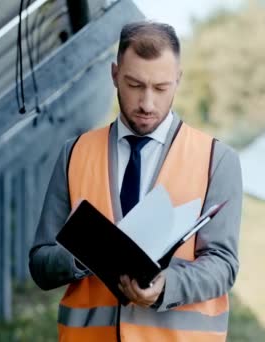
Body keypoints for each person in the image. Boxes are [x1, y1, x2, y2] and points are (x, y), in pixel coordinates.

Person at [28, 21, 242, 341]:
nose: (147, 103)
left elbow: (223, 266)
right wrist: (81, 254)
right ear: (115, 75)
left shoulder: (217, 159)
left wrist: (166, 286)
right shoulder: (73, 154)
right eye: (134, 85)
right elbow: (40, 264)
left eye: (160, 88)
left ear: (178, 80)